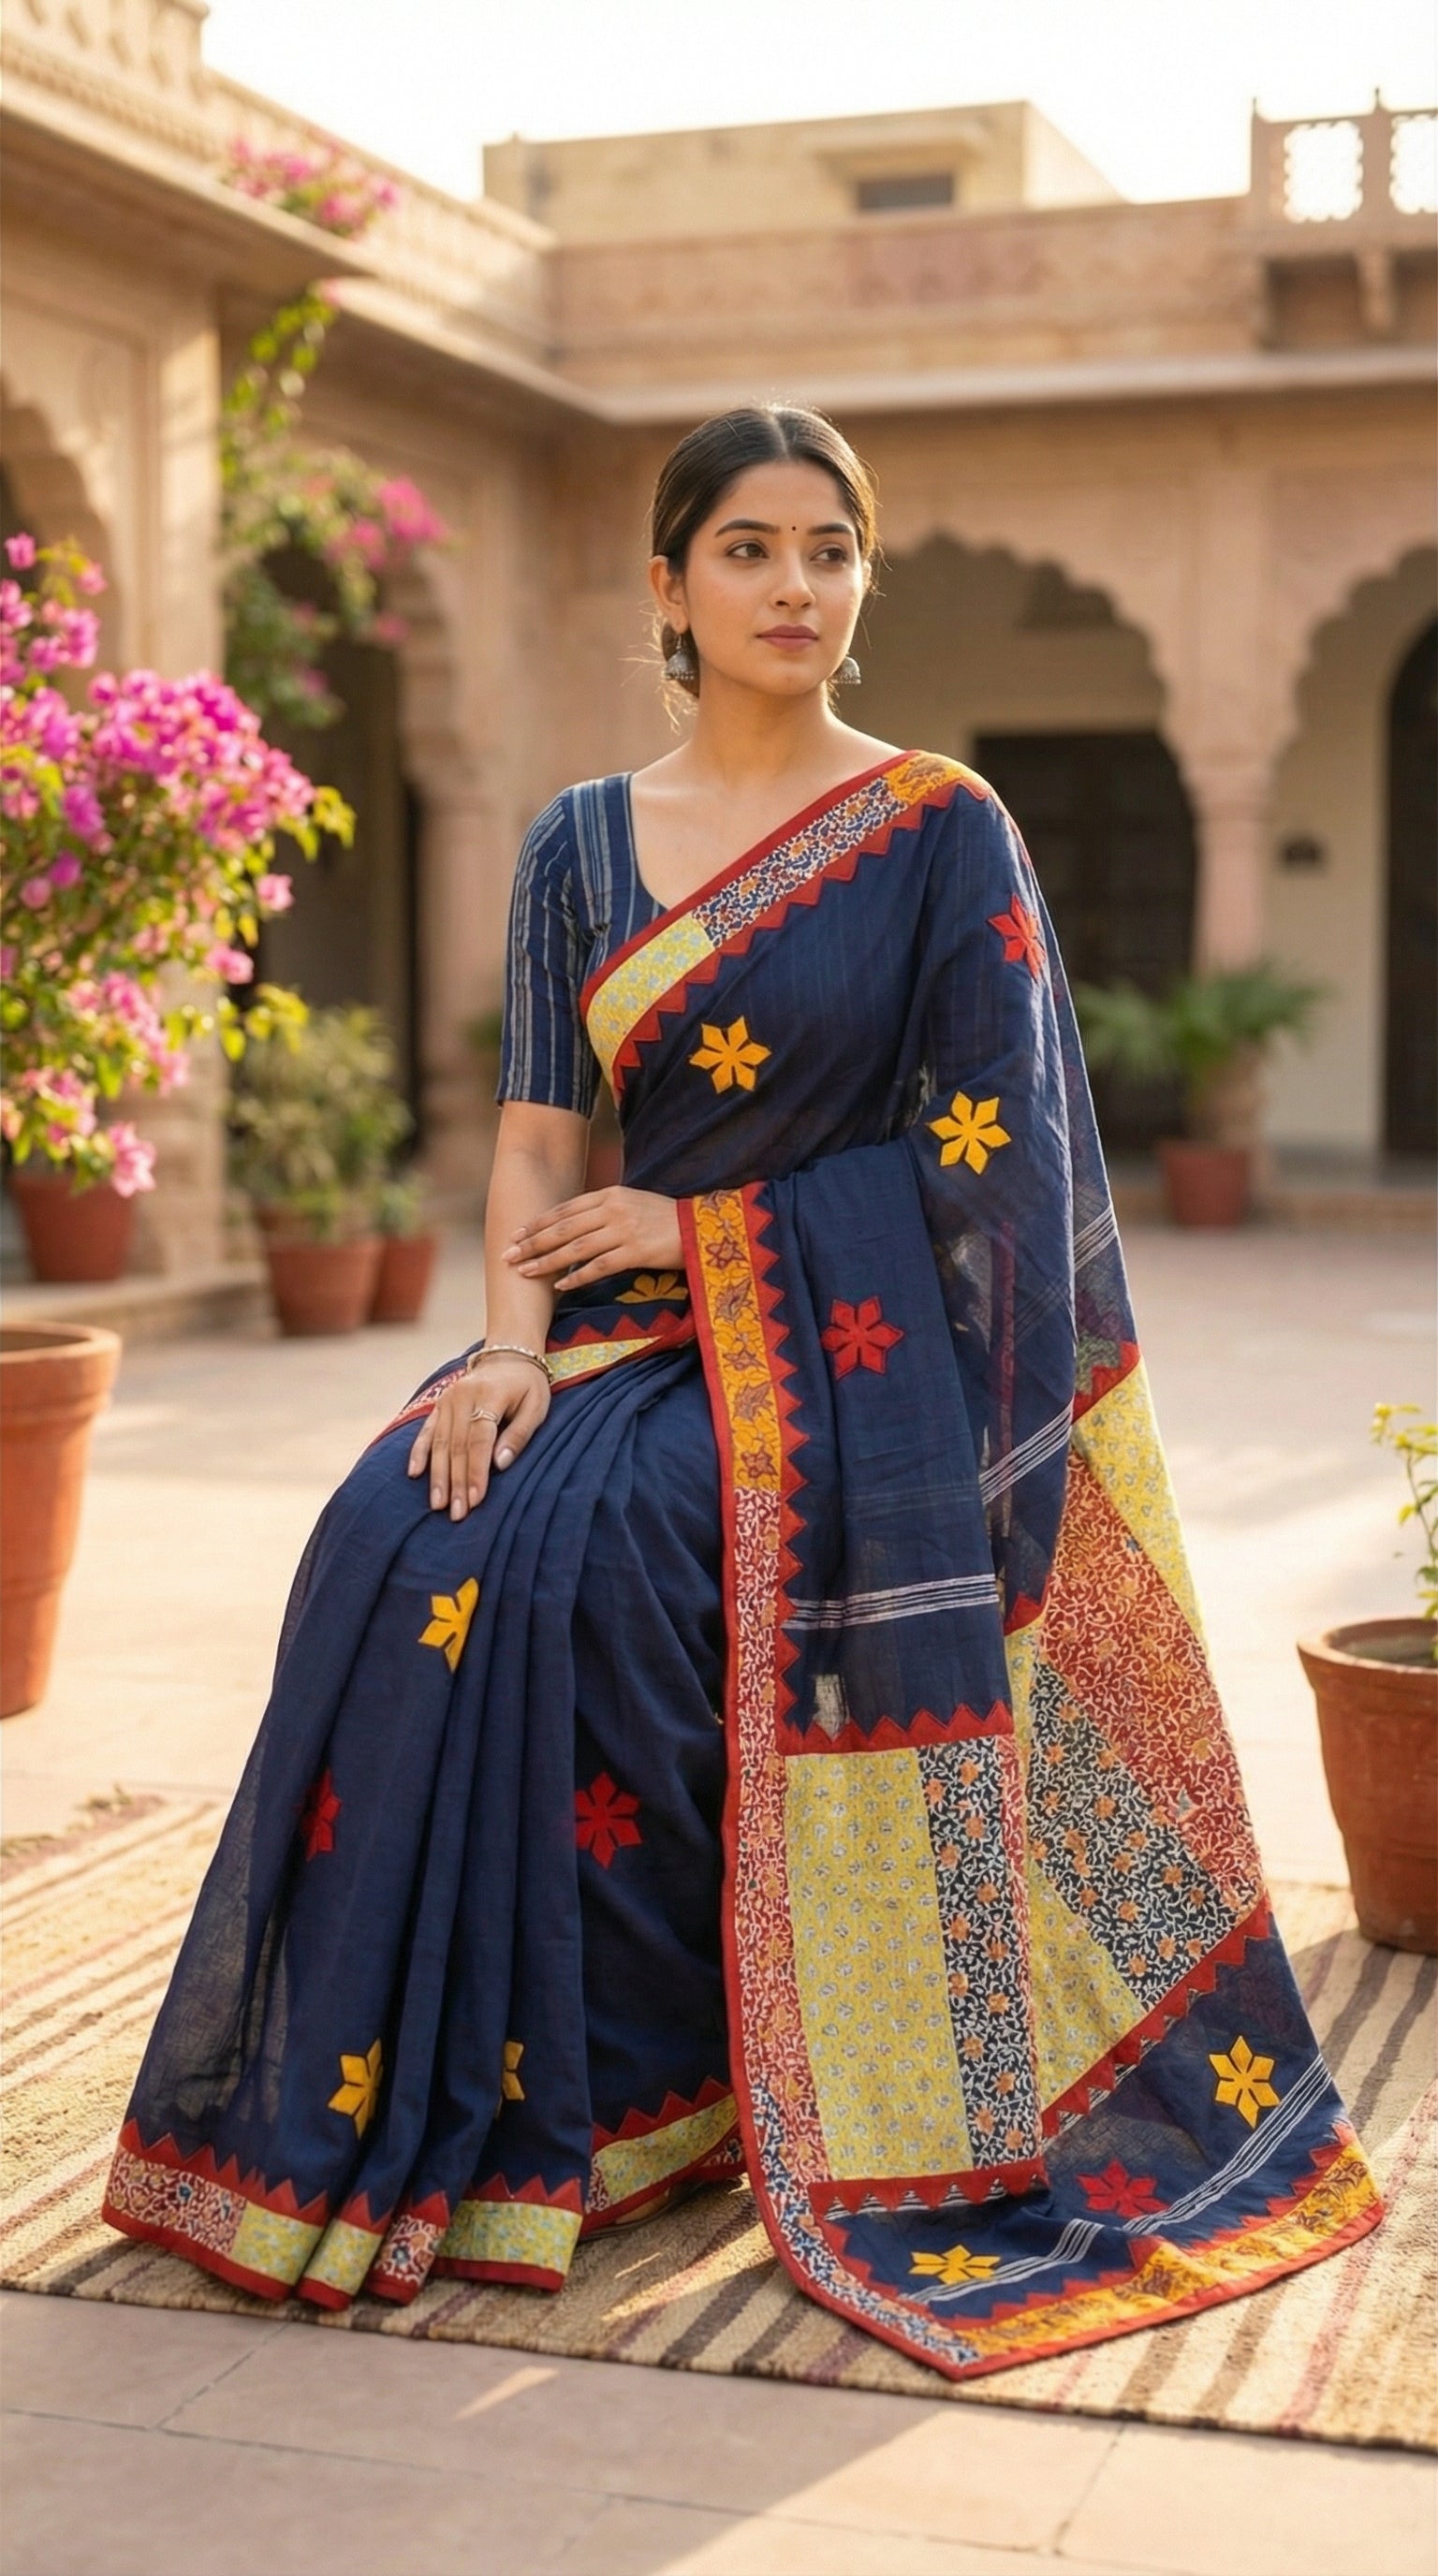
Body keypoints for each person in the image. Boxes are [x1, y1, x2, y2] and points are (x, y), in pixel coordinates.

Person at [105, 405, 1378, 2376]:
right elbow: (539, 1145)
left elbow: (995, 1169)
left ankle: (656, 2084)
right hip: (602, 1330)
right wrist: (507, 1350)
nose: (798, 587)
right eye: (752, 551)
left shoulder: (942, 830)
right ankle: (444, 2085)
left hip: (847, 1372)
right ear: (670, 588)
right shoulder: (577, 844)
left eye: (831, 550)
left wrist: (707, 1243)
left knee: (602, 1556)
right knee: (397, 1518)